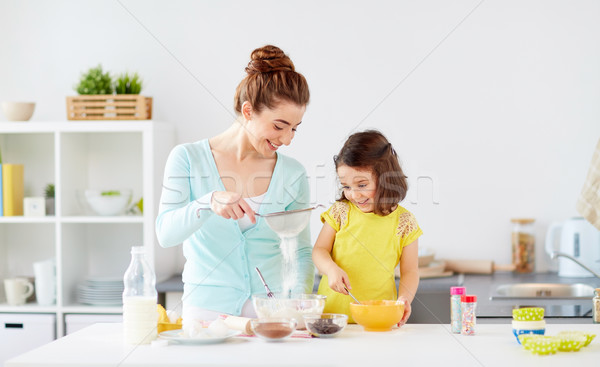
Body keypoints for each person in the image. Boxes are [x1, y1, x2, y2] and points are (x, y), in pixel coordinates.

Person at [156, 45, 314, 323]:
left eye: (294, 128)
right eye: (279, 126)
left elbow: (301, 251)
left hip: (272, 316)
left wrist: (298, 305)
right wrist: (208, 202)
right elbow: (166, 233)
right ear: (248, 111)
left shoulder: (293, 174)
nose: (287, 139)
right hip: (206, 316)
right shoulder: (187, 158)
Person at [312, 130, 422, 326]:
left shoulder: (405, 222)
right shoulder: (340, 211)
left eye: (362, 185)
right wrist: (331, 269)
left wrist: (405, 297)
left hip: (378, 320)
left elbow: (410, 271)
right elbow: (319, 250)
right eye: (346, 186)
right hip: (333, 318)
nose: (353, 195)